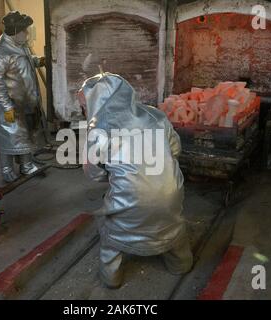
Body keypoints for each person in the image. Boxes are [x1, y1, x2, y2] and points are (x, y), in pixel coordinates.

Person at [78, 73, 193, 289]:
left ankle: (112, 278)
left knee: (110, 229)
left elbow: (93, 174)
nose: (84, 111)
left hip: (130, 205)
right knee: (173, 230)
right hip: (171, 198)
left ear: (98, 102)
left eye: (85, 106)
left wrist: (117, 172)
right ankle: (181, 264)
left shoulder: (98, 130)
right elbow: (175, 150)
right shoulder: (156, 116)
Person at [0, 11, 45, 183]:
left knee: (25, 134)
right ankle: (6, 169)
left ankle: (26, 165)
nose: (27, 34)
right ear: (15, 31)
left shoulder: (20, 45)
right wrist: (6, 107)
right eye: (24, 31)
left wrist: (37, 61)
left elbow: (23, 63)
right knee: (9, 135)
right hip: (10, 104)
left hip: (25, 101)